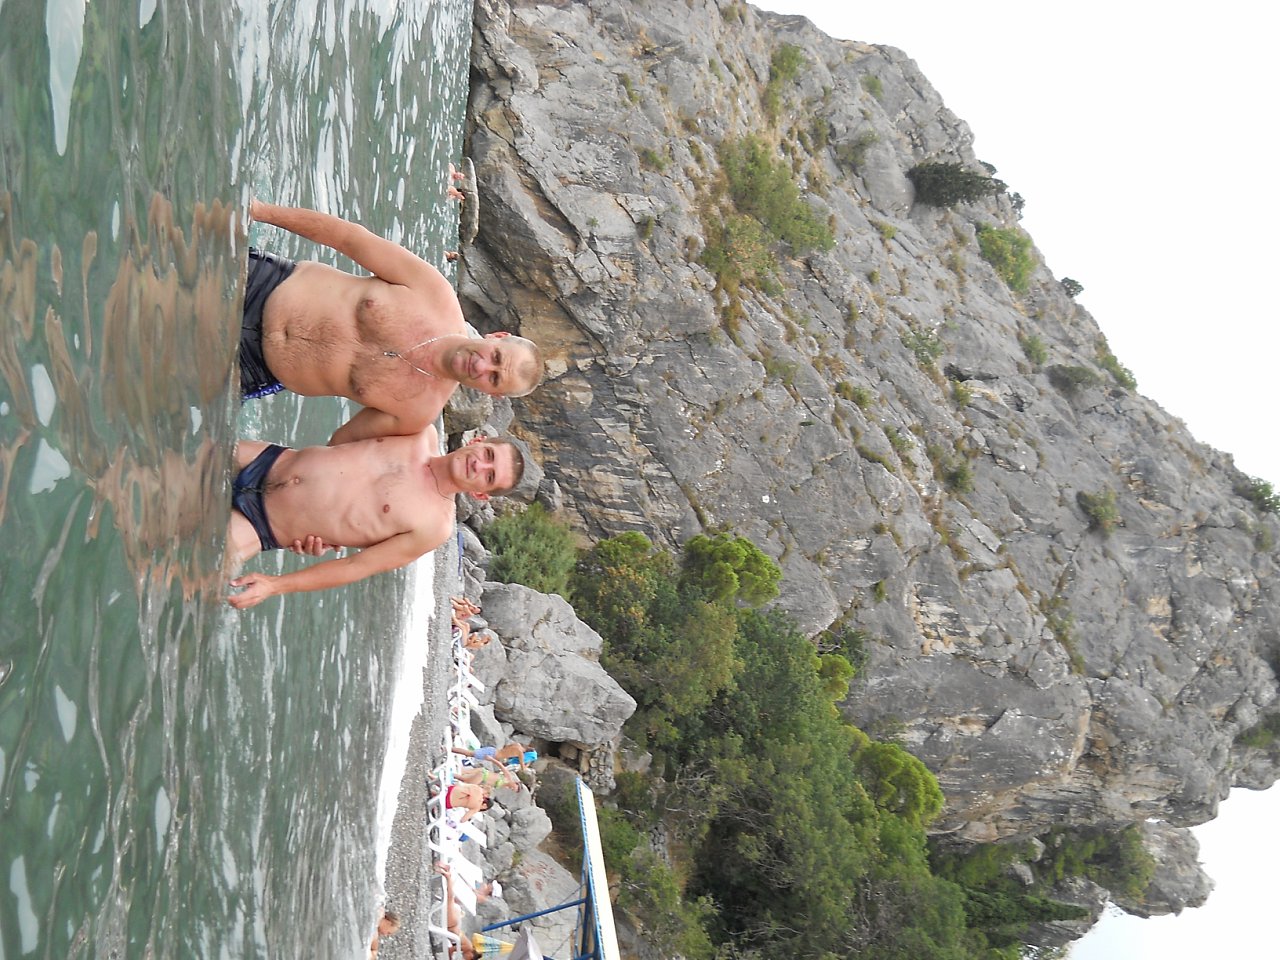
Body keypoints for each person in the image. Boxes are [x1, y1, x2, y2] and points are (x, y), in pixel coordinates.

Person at [242, 197, 543, 443]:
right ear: (497, 337)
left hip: (253, 370)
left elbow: (339, 448)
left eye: (493, 377)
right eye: (496, 357)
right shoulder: (434, 292)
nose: (481, 366)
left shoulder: (417, 413)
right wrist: (259, 211)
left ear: (493, 394)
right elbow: (348, 238)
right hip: (262, 283)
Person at [225, 426, 523, 608]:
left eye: (489, 476)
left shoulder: (435, 526)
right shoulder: (419, 431)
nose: (479, 466)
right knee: (198, 447)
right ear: (478, 440)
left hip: (263, 526)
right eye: (488, 455)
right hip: (267, 460)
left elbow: (356, 567)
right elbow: (342, 439)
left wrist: (274, 585)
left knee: (200, 567)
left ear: (481, 494)